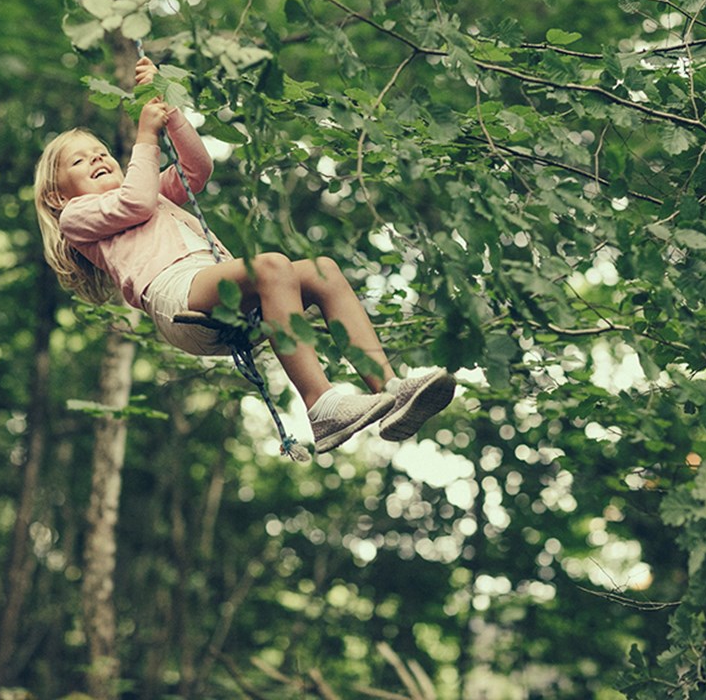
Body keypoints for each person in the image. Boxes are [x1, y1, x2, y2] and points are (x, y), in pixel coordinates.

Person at [33, 56, 455, 453]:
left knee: (321, 270)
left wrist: (171, 111)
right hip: (178, 300)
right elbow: (136, 204)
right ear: (56, 195)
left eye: (101, 152)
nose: (98, 159)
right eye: (80, 161)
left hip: (222, 298)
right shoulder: (77, 216)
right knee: (272, 265)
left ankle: (390, 387)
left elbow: (197, 170)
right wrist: (145, 136)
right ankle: (321, 406)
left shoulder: (152, 193)